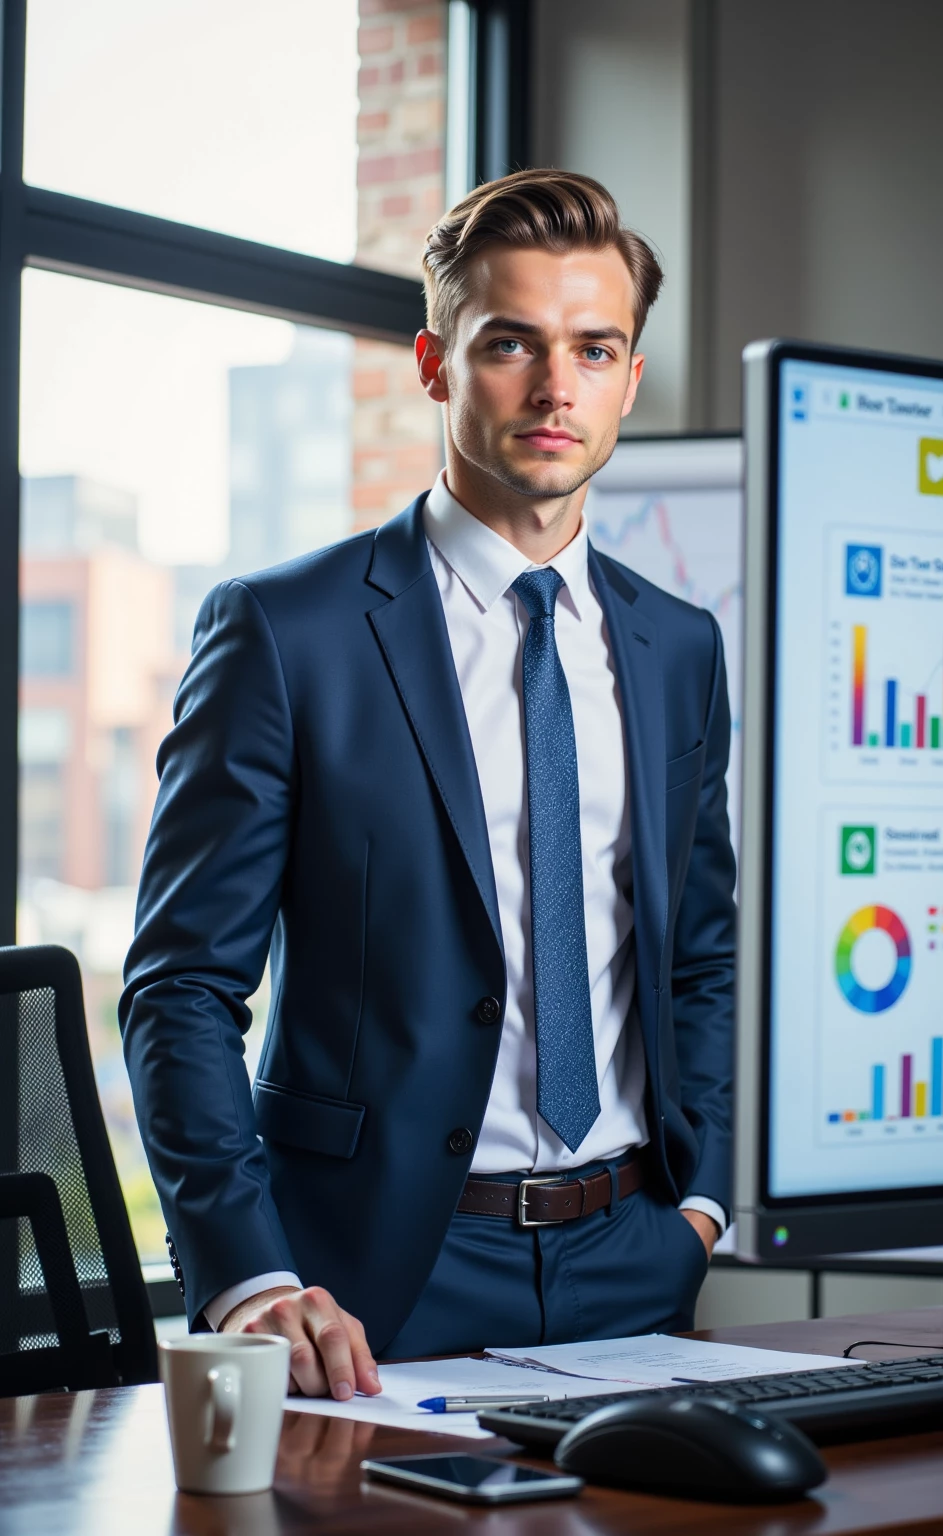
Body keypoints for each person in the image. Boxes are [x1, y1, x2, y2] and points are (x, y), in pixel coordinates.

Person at [120, 169, 735, 1403]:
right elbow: (181, 987)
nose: (556, 387)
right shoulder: (287, 633)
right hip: (371, 1280)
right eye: (510, 343)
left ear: (628, 372)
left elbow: (700, 955)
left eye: (594, 348)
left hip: (635, 1260)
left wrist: (700, 1202)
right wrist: (253, 1277)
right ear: (435, 363)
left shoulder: (679, 646)